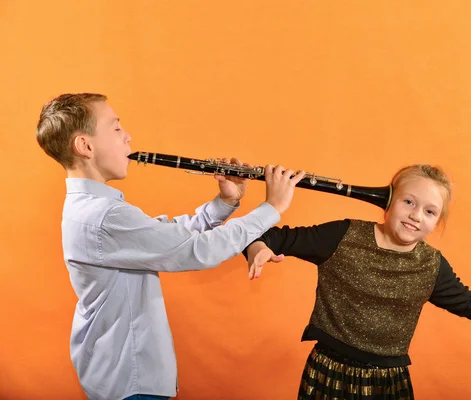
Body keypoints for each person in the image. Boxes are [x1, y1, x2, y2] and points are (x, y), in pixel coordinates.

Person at [36, 92, 306, 400]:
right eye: (115, 128)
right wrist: (272, 208)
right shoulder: (103, 215)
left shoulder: (95, 208)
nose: (128, 137)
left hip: (116, 371)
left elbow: (167, 235)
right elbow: (197, 251)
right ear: (86, 146)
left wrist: (226, 202)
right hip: (130, 381)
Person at [244, 163, 471, 400]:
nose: (415, 215)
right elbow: (268, 237)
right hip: (329, 372)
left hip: (388, 382)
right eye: (409, 202)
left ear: (438, 220)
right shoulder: (342, 235)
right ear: (388, 201)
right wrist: (257, 248)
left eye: (429, 211)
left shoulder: (431, 265)